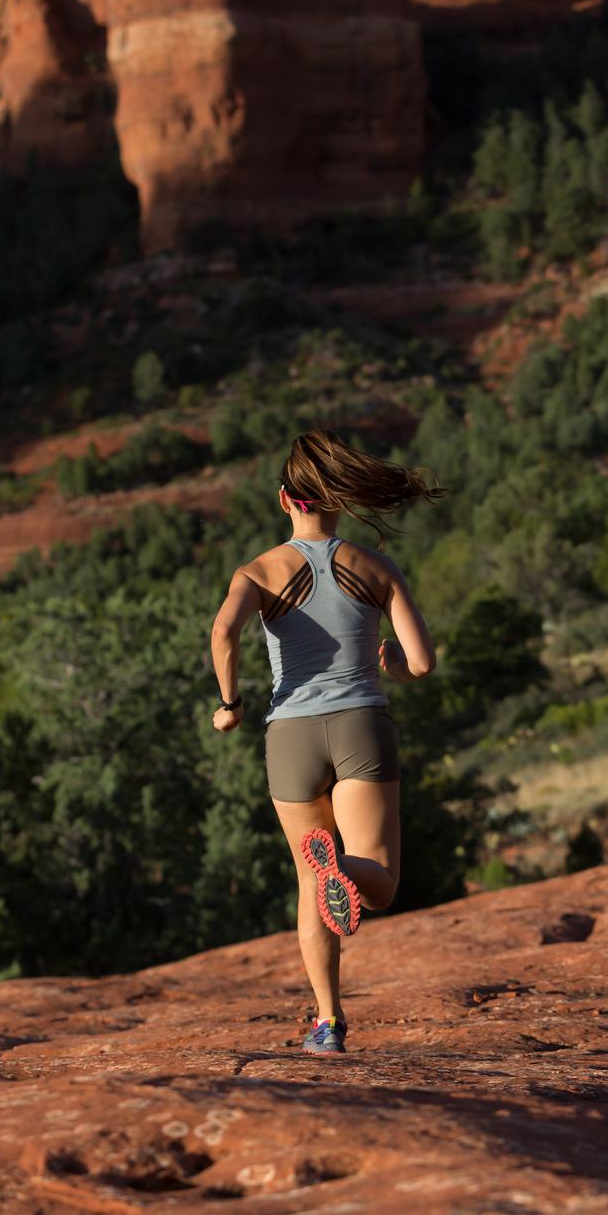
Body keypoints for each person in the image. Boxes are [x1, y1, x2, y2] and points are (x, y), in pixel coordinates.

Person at [209, 429, 443, 1057]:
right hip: (362, 723)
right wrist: (390, 665)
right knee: (383, 882)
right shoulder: (376, 566)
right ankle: (342, 867)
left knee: (308, 881)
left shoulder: (258, 571)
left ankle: (328, 1025)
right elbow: (421, 664)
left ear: (286, 500)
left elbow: (224, 631)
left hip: (289, 734)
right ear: (335, 501)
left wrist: (230, 704)